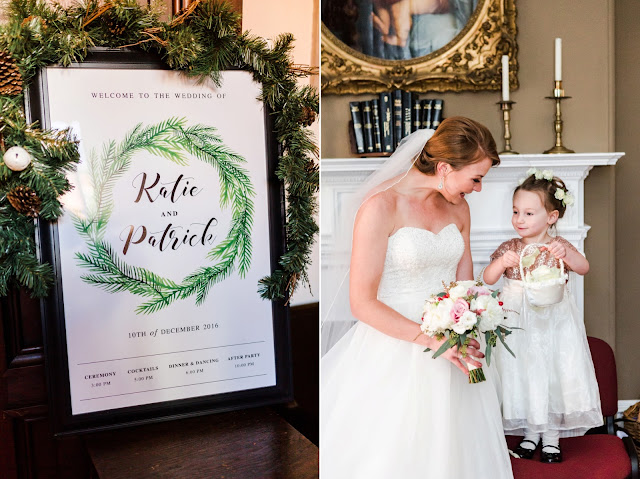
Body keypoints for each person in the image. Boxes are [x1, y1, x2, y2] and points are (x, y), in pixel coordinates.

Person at [321, 117, 514, 479]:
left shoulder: (459, 209)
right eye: (476, 178)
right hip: (395, 345)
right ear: (444, 167)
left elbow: (464, 284)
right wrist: (431, 339)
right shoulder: (380, 207)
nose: (478, 189)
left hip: (453, 345)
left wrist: (469, 325)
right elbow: (361, 302)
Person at [482, 170, 602, 463]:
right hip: (518, 324)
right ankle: (529, 433)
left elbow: (583, 267)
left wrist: (566, 255)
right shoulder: (510, 248)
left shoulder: (557, 246)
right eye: (515, 211)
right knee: (523, 375)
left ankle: (551, 438)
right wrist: (500, 263)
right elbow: (486, 279)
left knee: (551, 375)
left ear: (551, 216)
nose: (519, 219)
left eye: (529, 213)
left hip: (554, 325)